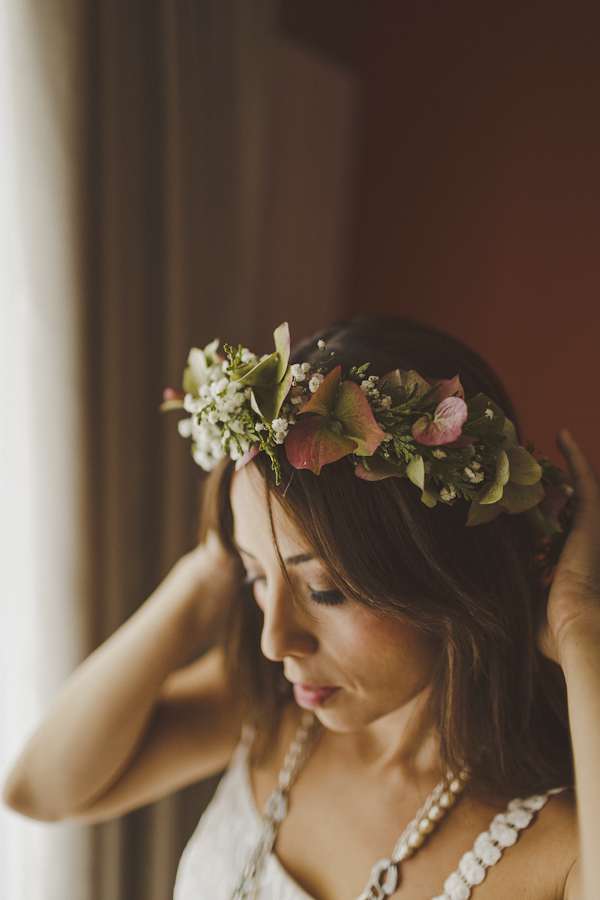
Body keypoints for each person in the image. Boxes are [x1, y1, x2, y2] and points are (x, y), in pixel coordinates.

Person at [4, 316, 600, 900]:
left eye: (326, 592)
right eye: (256, 579)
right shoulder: (268, 712)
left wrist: (580, 629)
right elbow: (41, 790)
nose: (274, 642)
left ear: (445, 574)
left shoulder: (561, 849)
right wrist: (211, 571)